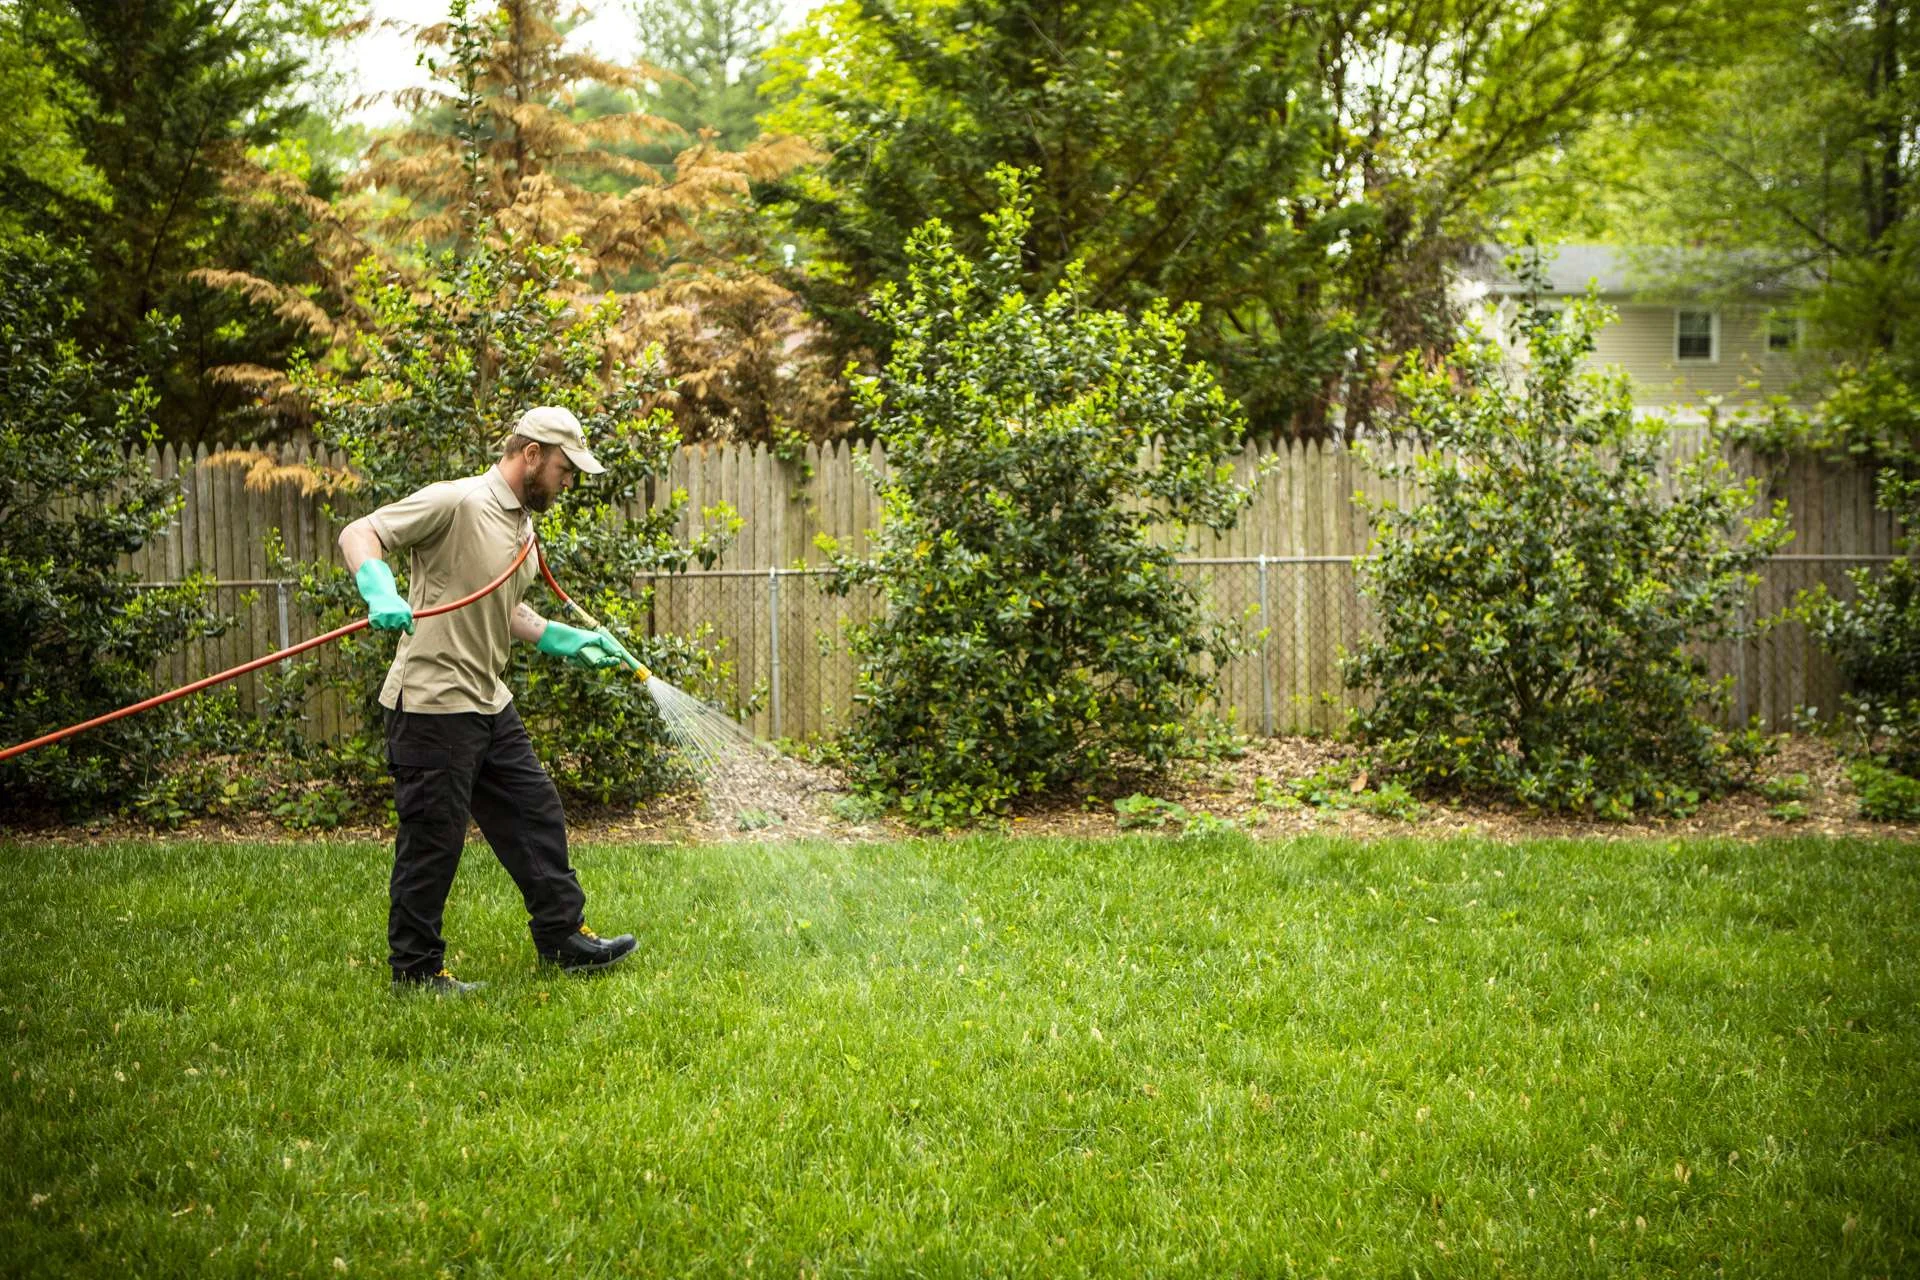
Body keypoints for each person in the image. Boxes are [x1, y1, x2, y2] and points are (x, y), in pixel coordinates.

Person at [337, 406, 640, 995]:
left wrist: (564, 639)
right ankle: (417, 970)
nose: (568, 480)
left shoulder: (523, 525)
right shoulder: (459, 500)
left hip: (485, 698)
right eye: (563, 467)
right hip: (431, 703)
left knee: (536, 810)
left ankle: (563, 936)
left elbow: (502, 606)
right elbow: (360, 533)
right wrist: (379, 588)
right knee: (434, 841)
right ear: (530, 455)